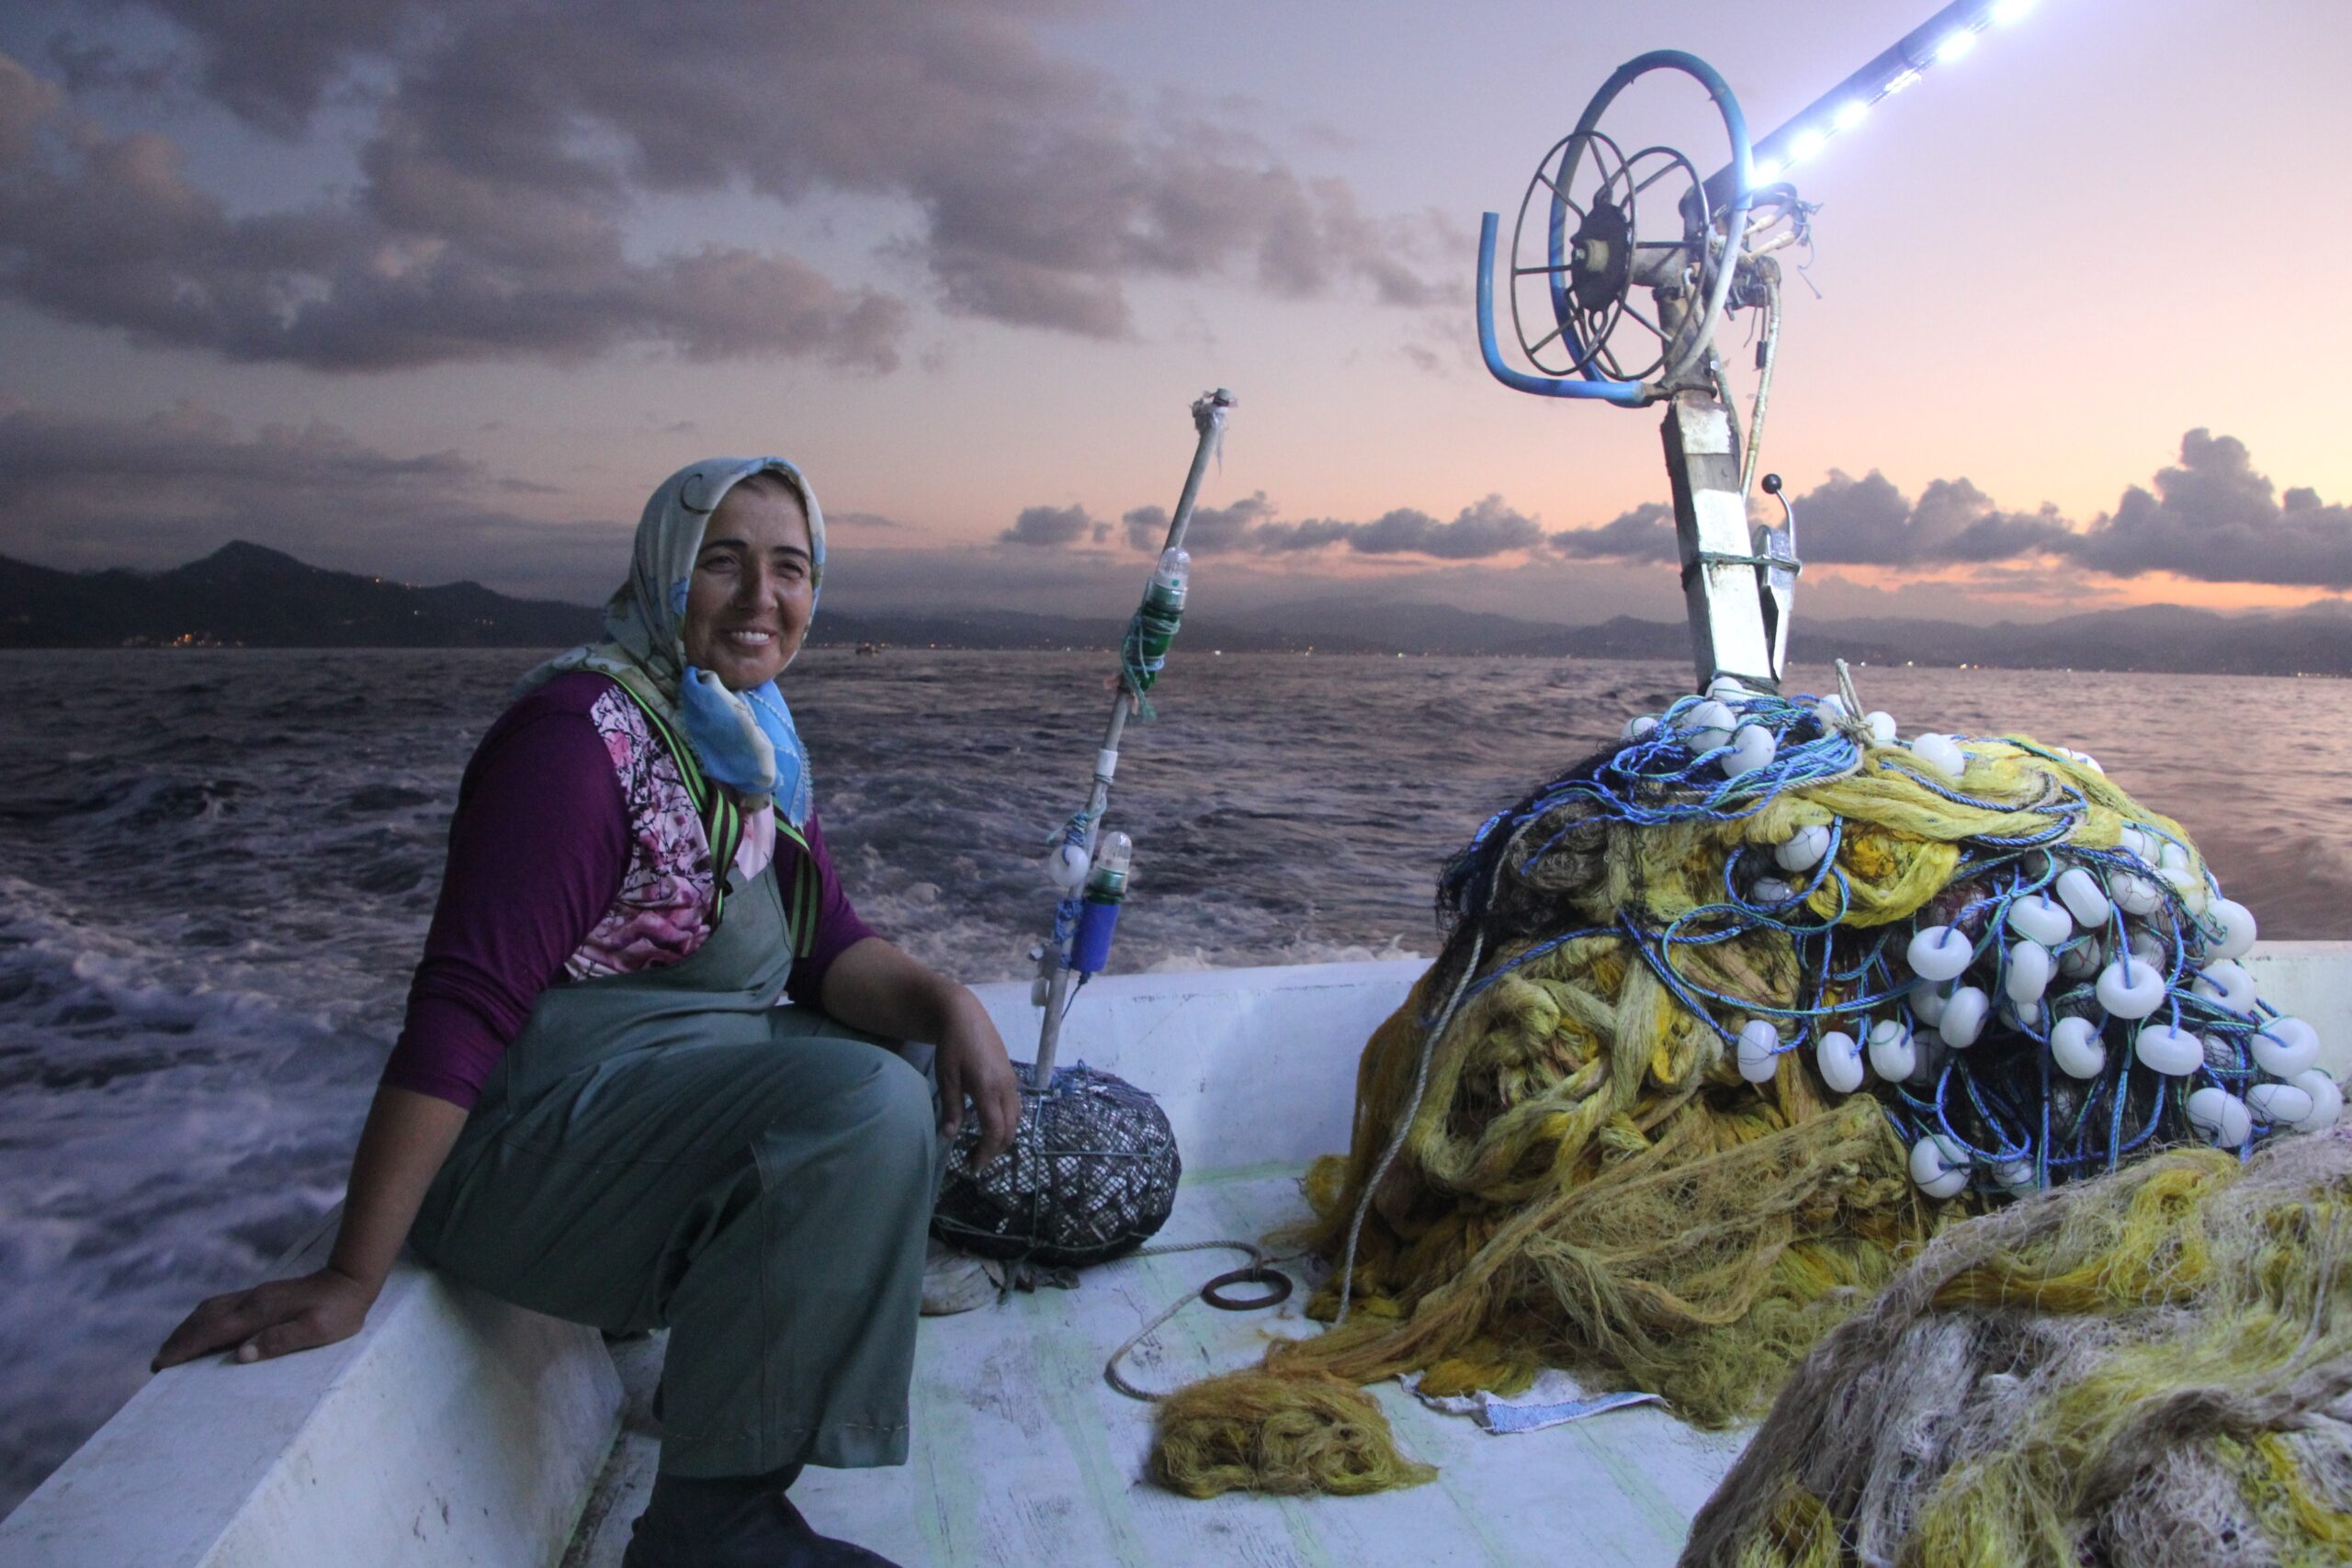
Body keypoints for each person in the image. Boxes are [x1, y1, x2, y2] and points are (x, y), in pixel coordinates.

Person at [153, 457, 1023, 1568]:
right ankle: (712, 1530)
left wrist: (951, 1001)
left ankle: (717, 1359)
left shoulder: (743, 735)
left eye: (791, 569)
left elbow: (825, 949)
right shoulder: (579, 741)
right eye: (725, 561)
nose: (763, 598)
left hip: (636, 1106)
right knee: (861, 1106)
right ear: (664, 572)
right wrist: (349, 1275)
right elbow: (460, 1008)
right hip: (523, 1155)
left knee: (893, 1048)